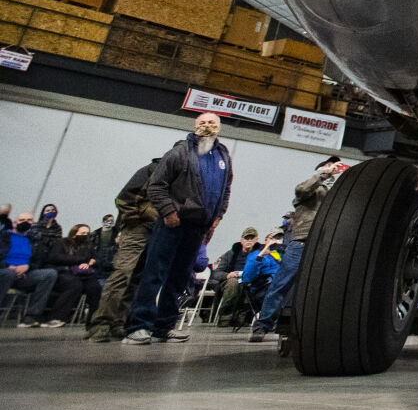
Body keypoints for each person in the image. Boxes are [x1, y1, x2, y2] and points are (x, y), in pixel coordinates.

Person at [123, 113, 233, 345]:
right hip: (173, 224)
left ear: (219, 127)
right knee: (155, 274)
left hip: (198, 227)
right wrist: (168, 212)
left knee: (180, 277)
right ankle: (139, 326)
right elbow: (156, 185)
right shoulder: (180, 152)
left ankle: (164, 326)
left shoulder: (223, 155)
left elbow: (225, 189)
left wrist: (218, 216)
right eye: (202, 122)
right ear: (195, 126)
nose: (207, 126)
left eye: (212, 122)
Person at [250, 157, 348, 342]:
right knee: (282, 282)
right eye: (328, 166)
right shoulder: (311, 189)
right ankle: (262, 325)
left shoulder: (334, 193)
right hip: (302, 239)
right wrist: (325, 173)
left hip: (325, 242)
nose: (333, 168)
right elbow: (301, 189)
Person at [5, 212, 58, 326]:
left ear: (33, 224)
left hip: (24, 275)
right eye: (22, 220)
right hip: (5, 272)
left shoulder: (35, 240)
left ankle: (32, 315)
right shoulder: (5, 237)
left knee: (50, 274)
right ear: (15, 222)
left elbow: (38, 261)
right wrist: (8, 266)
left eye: (29, 220)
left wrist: (27, 267)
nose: (25, 222)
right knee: (7, 273)